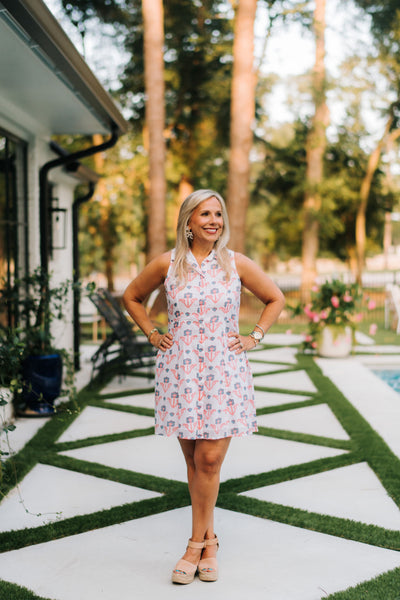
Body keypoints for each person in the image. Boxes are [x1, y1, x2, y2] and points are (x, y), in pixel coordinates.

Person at [123, 189, 285, 584]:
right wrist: (151, 332)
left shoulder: (235, 263)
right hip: (180, 374)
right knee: (194, 463)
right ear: (188, 222)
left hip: (223, 374)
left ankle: (194, 545)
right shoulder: (168, 263)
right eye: (204, 214)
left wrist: (255, 336)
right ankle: (211, 541)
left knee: (209, 461)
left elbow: (275, 298)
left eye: (218, 214)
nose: (214, 221)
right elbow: (132, 296)